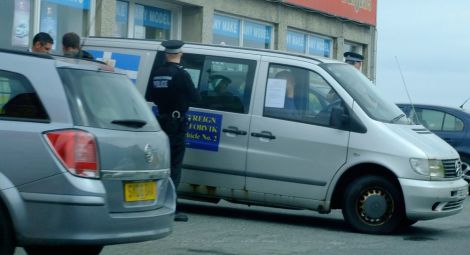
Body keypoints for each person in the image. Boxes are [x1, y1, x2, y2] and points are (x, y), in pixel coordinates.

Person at [145, 40, 201, 222]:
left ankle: (154, 203)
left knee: (161, 165)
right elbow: (196, 97)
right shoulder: (181, 74)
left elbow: (149, 96)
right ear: (180, 54)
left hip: (161, 121)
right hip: (176, 124)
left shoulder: (157, 73)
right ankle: (172, 207)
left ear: (166, 54)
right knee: (174, 167)